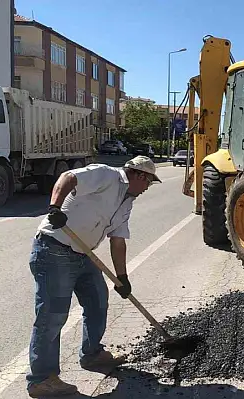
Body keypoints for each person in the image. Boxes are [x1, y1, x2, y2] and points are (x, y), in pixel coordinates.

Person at [26, 155, 161, 397]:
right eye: (149, 183)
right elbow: (68, 178)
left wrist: (122, 277)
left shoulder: (127, 202)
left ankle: (92, 355)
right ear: (140, 175)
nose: (147, 189)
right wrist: (55, 207)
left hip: (83, 255)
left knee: (98, 302)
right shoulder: (106, 175)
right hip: (54, 249)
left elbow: (118, 240)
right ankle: (41, 379)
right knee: (53, 315)